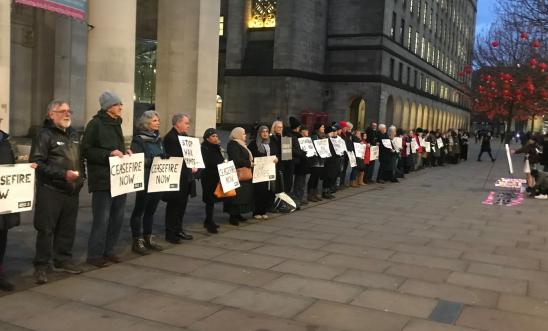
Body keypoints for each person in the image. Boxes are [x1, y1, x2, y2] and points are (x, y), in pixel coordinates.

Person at [30, 100, 85, 283]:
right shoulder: (44, 134)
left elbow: (80, 160)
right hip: (50, 190)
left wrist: (81, 179)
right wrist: (63, 175)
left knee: (67, 228)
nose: (67, 114)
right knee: (46, 229)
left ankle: (62, 260)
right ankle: (41, 266)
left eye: (69, 110)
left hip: (71, 191)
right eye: (62, 111)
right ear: (51, 114)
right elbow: (37, 163)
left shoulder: (74, 134)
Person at [82, 91, 130, 268]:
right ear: (109, 107)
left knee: (117, 217)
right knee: (101, 219)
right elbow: (86, 150)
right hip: (102, 179)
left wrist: (125, 153)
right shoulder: (95, 124)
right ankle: (94, 254)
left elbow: (117, 148)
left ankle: (109, 250)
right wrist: (108, 154)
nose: (121, 107)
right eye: (118, 104)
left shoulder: (117, 123)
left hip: (119, 179)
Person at [128, 111, 164, 254]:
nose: (158, 123)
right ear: (146, 123)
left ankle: (148, 237)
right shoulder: (139, 139)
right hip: (145, 178)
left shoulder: (158, 138)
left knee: (151, 210)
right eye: (155, 120)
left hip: (157, 179)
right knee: (140, 210)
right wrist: (152, 160)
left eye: (158, 120)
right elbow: (137, 160)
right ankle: (137, 240)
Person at [163, 113, 197, 243]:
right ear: (178, 123)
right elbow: (175, 157)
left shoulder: (184, 136)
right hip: (176, 177)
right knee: (174, 205)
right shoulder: (170, 138)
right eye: (186, 123)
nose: (188, 126)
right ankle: (170, 233)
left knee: (182, 205)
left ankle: (178, 229)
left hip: (185, 177)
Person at [0, 122, 23, 291]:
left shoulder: (7, 139)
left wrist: (27, 166)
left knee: (2, 236)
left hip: (4, 198)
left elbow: (16, 160)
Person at [224, 127, 254, 225]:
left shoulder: (241, 144)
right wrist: (249, 163)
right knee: (236, 195)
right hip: (236, 172)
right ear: (237, 134)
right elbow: (236, 159)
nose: (245, 135)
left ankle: (238, 214)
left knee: (242, 195)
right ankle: (233, 216)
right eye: (243, 134)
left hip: (243, 173)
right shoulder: (233, 144)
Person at [248, 126, 277, 219]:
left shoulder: (271, 143)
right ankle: (256, 212)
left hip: (269, 171)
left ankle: (264, 211)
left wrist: (276, 159)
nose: (265, 133)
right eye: (263, 132)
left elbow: (276, 154)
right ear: (259, 133)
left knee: (267, 191)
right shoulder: (254, 144)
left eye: (267, 131)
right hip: (258, 172)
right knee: (259, 191)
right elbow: (249, 156)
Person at [200, 128, 224, 233]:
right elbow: (208, 162)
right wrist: (219, 163)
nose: (215, 138)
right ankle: (209, 223)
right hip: (208, 176)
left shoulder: (216, 147)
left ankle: (209, 220)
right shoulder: (204, 148)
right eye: (213, 136)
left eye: (216, 136)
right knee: (209, 200)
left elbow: (220, 158)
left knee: (212, 200)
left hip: (216, 176)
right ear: (207, 138)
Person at [288, 117, 308, 206]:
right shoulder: (293, 136)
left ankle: (299, 198)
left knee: (301, 182)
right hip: (298, 162)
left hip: (301, 162)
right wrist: (302, 153)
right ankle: (297, 199)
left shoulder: (296, 136)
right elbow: (293, 150)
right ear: (298, 128)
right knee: (298, 182)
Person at [307, 123, 325, 201]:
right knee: (313, 177)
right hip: (315, 160)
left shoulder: (323, 136)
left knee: (317, 177)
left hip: (321, 159)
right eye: (322, 127)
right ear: (318, 128)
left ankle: (315, 193)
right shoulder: (314, 136)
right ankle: (310, 194)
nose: (323, 128)